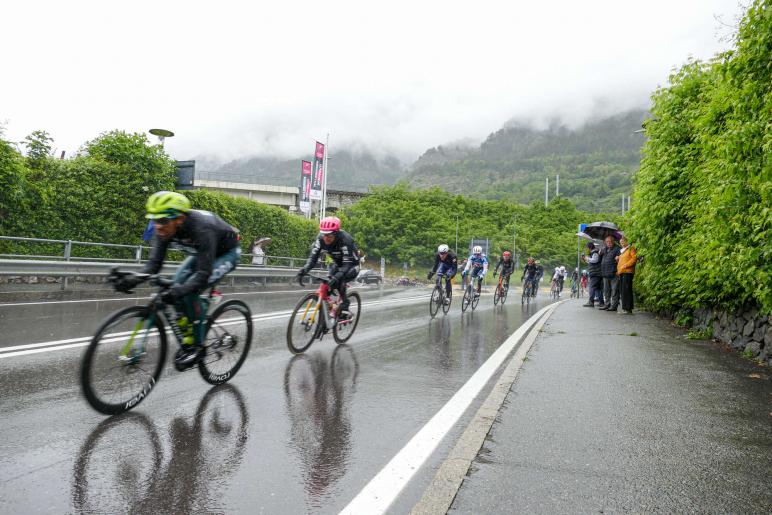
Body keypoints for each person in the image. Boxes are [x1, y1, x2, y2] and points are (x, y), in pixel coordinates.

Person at [114, 191, 242, 368]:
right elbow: (154, 265)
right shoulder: (163, 229)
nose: (158, 226)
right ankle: (193, 319)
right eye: (154, 220)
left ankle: (198, 346)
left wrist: (180, 291)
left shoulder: (202, 229)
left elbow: (202, 275)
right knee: (177, 284)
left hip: (227, 254)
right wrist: (133, 279)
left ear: (179, 219)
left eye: (163, 221)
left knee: (188, 292)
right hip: (203, 253)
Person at [296, 216, 360, 320]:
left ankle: (345, 305)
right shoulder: (321, 239)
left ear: (336, 233)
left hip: (352, 265)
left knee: (340, 280)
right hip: (337, 264)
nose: (326, 238)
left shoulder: (345, 239)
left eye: (329, 235)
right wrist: (305, 269)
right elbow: (313, 258)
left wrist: (336, 278)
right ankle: (331, 309)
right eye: (324, 234)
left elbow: (347, 264)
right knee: (327, 284)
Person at [615, 235, 638, 314]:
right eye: (621, 242)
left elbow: (634, 259)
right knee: (623, 291)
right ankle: (625, 308)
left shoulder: (631, 249)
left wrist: (625, 265)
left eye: (623, 242)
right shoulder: (622, 251)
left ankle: (628, 309)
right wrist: (618, 260)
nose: (622, 244)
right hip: (622, 272)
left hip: (627, 272)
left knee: (626, 290)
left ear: (627, 241)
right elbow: (622, 262)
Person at [598, 235, 621, 311]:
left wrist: (618, 259)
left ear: (613, 241)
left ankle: (614, 306)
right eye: (607, 242)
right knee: (606, 290)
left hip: (614, 273)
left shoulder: (617, 249)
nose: (609, 243)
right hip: (605, 273)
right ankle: (607, 304)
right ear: (605, 242)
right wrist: (599, 254)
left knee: (614, 290)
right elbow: (599, 260)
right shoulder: (604, 249)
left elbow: (620, 260)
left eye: (610, 241)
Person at [582, 242, 603, 307]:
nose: (586, 249)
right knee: (598, 288)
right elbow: (592, 262)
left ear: (589, 247)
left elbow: (595, 260)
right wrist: (585, 259)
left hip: (595, 273)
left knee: (592, 287)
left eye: (587, 248)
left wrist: (587, 258)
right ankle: (601, 302)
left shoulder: (594, 252)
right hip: (597, 272)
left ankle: (591, 302)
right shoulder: (594, 252)